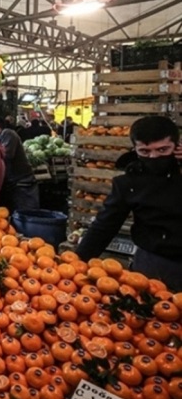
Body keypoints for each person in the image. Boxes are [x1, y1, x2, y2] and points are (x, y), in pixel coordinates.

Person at [74, 116, 182, 288]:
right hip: (152, 262)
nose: (154, 157)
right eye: (145, 152)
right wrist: (76, 262)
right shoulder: (129, 183)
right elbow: (105, 225)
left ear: (177, 146)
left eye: (163, 150)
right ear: (135, 149)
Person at [0, 116, 39, 211]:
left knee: (25, 213)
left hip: (22, 182)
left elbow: (7, 154)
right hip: (13, 182)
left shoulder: (8, 133)